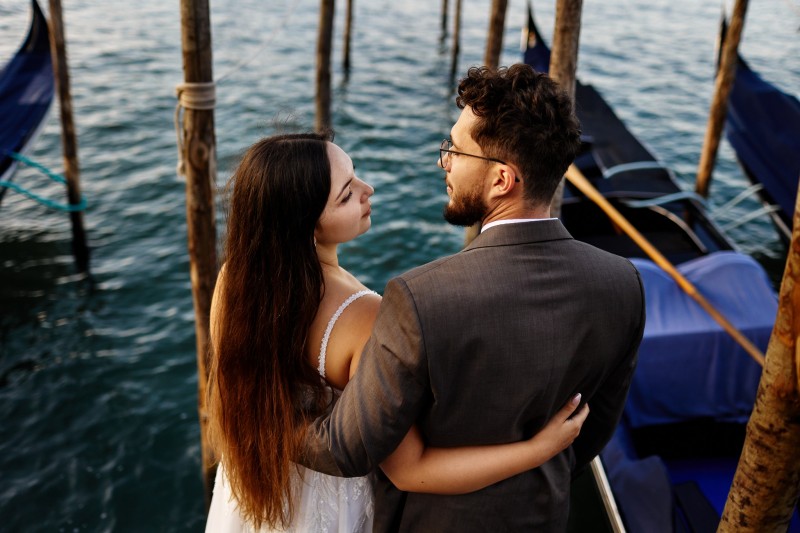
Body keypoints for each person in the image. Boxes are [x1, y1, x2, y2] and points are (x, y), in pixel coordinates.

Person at [302, 64, 646, 531]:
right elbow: (592, 431)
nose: (443, 162)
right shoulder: (624, 283)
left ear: (502, 179)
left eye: (455, 150)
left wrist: (257, 425)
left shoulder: (419, 299)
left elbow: (348, 447)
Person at [203, 132, 591, 533]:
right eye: (346, 194)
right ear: (307, 227)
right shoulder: (364, 317)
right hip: (330, 510)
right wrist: (537, 450)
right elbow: (410, 471)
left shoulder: (234, 283)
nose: (367, 190)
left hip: (253, 485)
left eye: (355, 175)